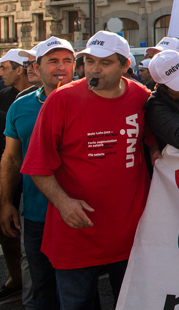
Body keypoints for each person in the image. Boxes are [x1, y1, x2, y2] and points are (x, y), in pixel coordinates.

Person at [21, 31, 158, 309]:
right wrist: (63, 203)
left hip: (131, 232)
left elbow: (158, 144)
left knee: (132, 302)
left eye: (105, 63)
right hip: (76, 232)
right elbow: (37, 165)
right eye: (89, 60)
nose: (94, 69)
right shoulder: (61, 100)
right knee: (77, 304)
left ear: (125, 66)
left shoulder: (141, 97)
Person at [1, 37, 75, 310]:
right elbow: (10, 158)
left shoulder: (92, 101)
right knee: (42, 289)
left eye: (68, 61)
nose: (61, 67)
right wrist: (6, 202)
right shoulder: (20, 107)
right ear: (36, 66)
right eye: (53, 61)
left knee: (81, 292)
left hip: (81, 213)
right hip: (36, 215)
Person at [0, 49, 31, 301]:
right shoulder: (5, 98)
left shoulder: (43, 98)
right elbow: (9, 155)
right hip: (12, 177)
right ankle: (17, 279)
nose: (0, 74)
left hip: (34, 182)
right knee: (8, 234)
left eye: (4, 68)